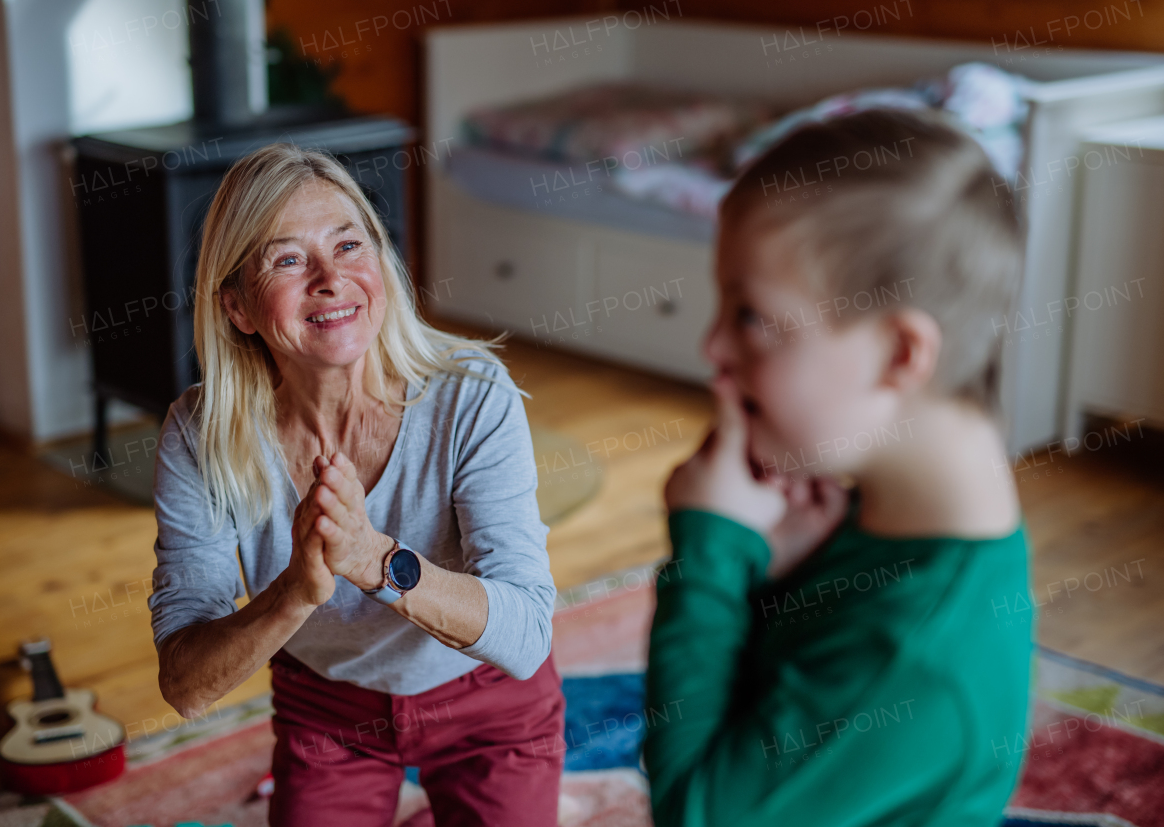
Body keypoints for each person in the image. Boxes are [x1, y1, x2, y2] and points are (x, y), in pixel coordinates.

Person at [147, 144, 565, 827]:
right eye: (287, 259)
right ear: (238, 307)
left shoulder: (470, 392)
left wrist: (374, 560)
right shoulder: (201, 434)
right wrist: (295, 592)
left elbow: (525, 635)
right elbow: (186, 687)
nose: (330, 278)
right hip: (330, 709)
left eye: (348, 245)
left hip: (486, 697)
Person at [645, 108, 1032, 826]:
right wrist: (785, 577)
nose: (713, 347)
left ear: (899, 354)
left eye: (752, 316)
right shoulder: (915, 528)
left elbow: (692, 814)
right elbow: (783, 695)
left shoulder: (911, 653)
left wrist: (712, 552)